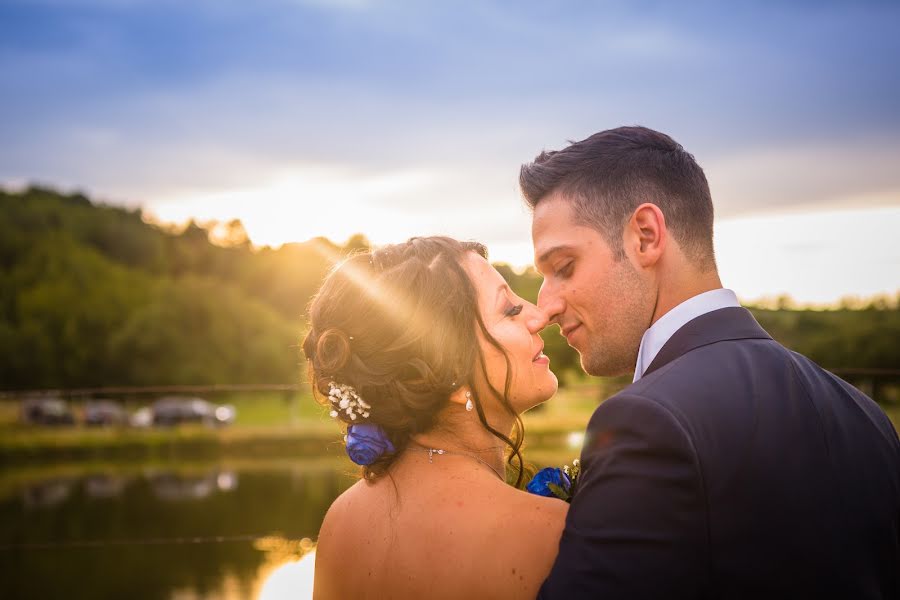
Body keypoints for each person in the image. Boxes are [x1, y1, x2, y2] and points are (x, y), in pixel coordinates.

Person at [521, 125, 900, 598]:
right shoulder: (864, 416)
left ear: (645, 236)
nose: (546, 305)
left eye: (563, 267)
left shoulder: (648, 422)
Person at [303, 236, 568, 599]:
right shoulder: (550, 532)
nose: (538, 315)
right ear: (450, 375)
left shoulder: (341, 522)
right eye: (509, 309)